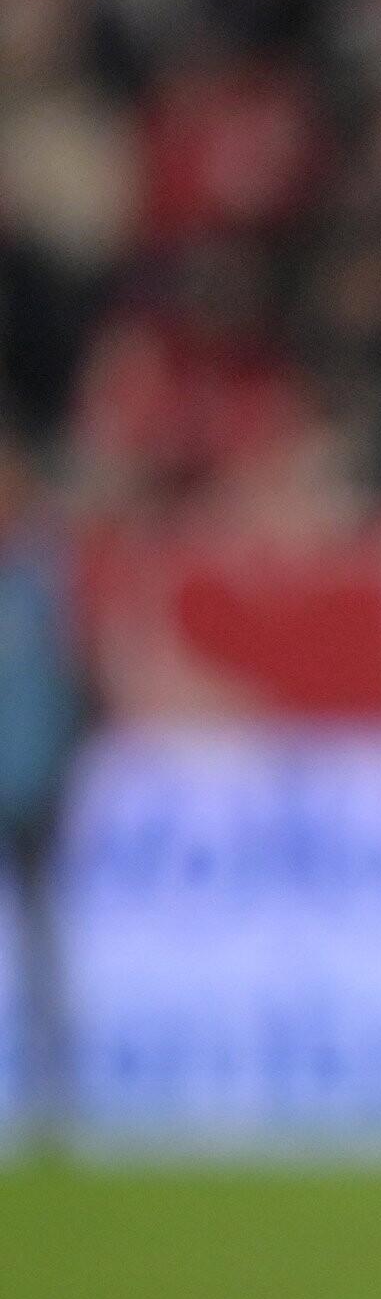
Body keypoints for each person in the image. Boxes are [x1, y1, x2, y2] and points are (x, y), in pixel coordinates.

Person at [0, 443, 94, 1154]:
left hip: (33, 791)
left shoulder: (44, 582)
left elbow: (71, 688)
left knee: (43, 947)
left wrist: (65, 769)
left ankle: (53, 1095)